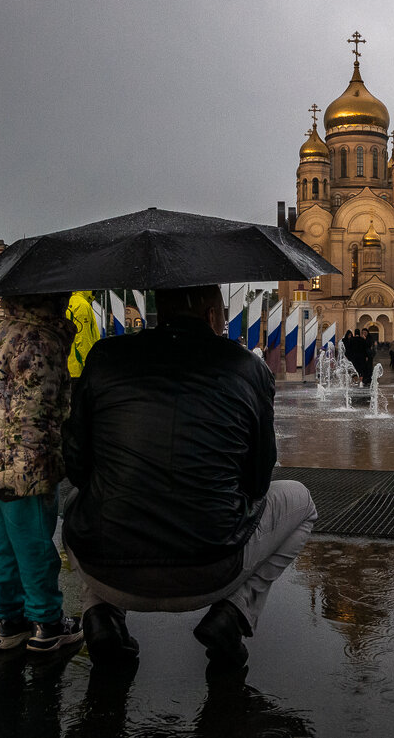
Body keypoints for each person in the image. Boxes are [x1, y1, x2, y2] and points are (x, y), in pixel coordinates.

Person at [62, 284, 317, 672]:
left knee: (78, 502)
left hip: (106, 567)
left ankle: (100, 614)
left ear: (158, 311)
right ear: (214, 317)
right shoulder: (247, 367)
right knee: (301, 502)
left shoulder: (106, 356)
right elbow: (258, 481)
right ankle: (232, 614)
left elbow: (76, 465)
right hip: (210, 569)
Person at [0, 294, 83, 654]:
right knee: (34, 545)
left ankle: (8, 621)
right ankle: (47, 623)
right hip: (26, 462)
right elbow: (45, 411)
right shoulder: (42, 340)